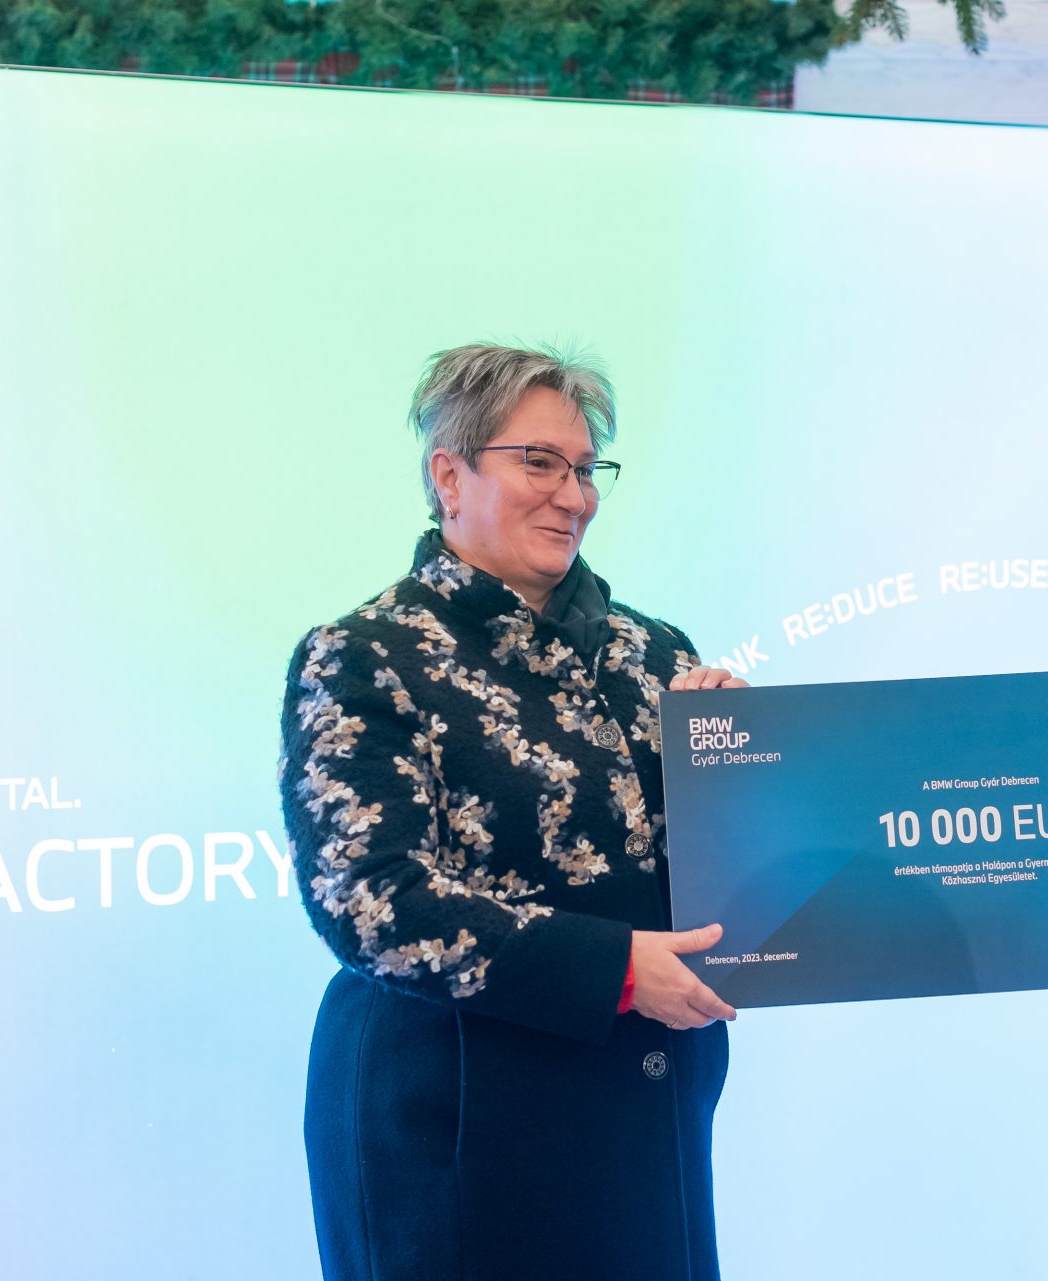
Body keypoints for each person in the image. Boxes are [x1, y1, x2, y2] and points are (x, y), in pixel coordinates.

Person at [279, 342, 744, 1281]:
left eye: (585, 469)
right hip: (453, 1124)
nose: (573, 495)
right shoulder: (365, 653)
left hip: (644, 1112)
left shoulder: (653, 649)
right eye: (540, 462)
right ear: (448, 474)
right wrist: (613, 966)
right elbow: (372, 901)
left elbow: (701, 874)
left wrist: (742, 766)